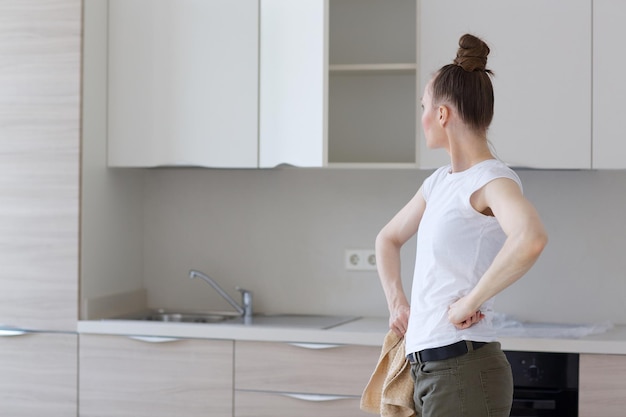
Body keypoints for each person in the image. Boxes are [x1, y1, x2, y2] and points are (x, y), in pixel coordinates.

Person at [375, 33, 548, 417]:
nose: (421, 116)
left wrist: (469, 302)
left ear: (442, 114)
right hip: (428, 369)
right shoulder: (439, 183)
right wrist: (397, 303)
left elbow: (531, 238)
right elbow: (387, 239)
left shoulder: (491, 180)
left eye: (423, 106)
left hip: (463, 369)